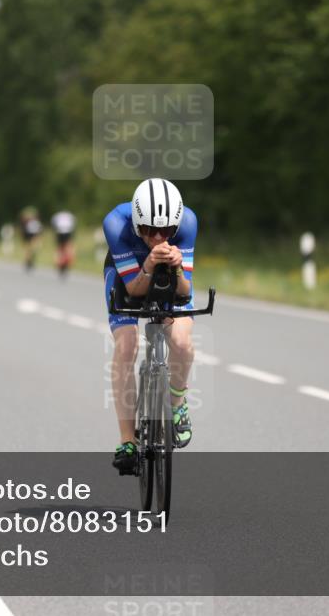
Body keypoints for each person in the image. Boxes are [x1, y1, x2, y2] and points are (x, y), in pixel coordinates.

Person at [103, 178, 197, 475]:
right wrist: (147, 266)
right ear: (137, 226)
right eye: (148, 231)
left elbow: (184, 291)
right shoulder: (116, 224)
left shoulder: (188, 222)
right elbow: (134, 288)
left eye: (166, 231)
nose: (158, 237)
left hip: (170, 274)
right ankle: (127, 440)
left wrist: (179, 267)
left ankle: (178, 403)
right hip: (128, 273)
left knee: (182, 343)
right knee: (126, 345)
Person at [50, 210, 76, 278]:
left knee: (60, 247)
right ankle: (66, 261)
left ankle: (59, 262)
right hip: (67, 231)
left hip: (59, 231)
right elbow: (73, 225)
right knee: (68, 247)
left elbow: (53, 224)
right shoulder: (70, 215)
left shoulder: (57, 215)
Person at [19, 206, 43, 272]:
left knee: (30, 249)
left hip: (31, 236)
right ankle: (28, 261)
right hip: (30, 236)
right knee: (29, 249)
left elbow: (38, 231)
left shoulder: (31, 222)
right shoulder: (30, 223)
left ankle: (28, 261)